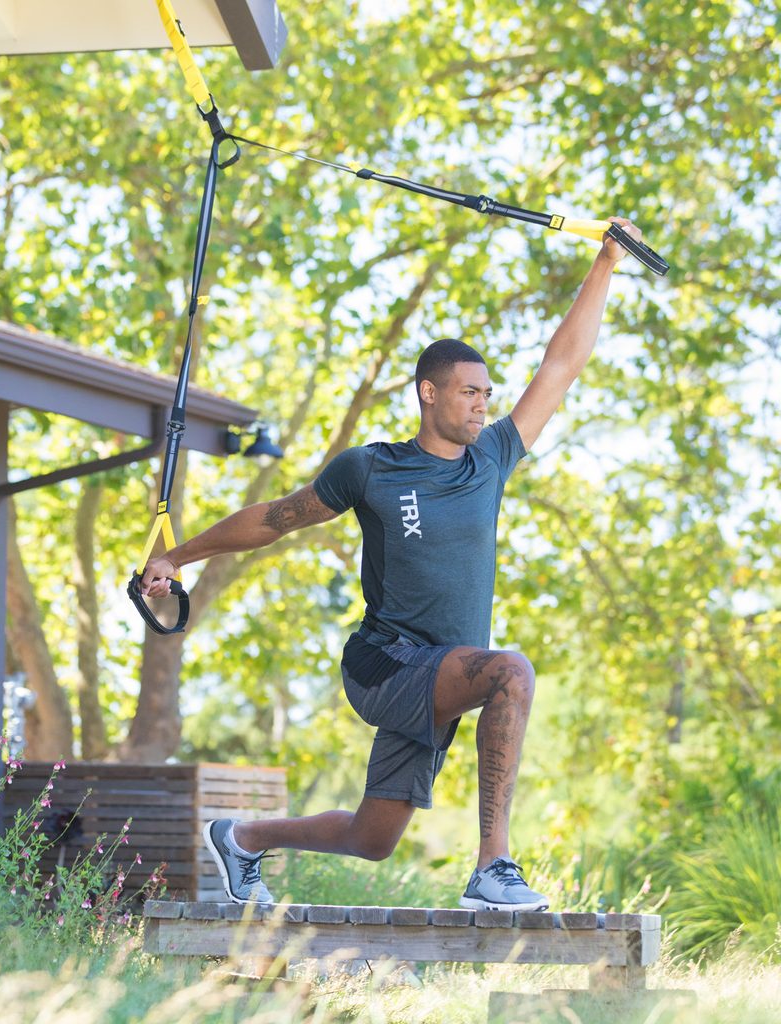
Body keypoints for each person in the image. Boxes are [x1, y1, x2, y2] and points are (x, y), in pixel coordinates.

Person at [140, 218, 642, 912]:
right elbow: (275, 518)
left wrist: (606, 263)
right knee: (513, 672)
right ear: (428, 393)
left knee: (372, 838)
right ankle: (492, 866)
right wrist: (175, 555)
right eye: (469, 392)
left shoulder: (491, 459)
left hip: (442, 672)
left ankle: (242, 836)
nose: (483, 404)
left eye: (486, 393)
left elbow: (561, 365)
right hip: (385, 663)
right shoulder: (372, 468)